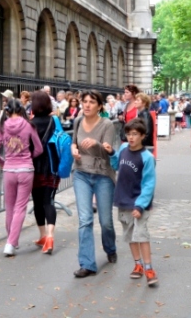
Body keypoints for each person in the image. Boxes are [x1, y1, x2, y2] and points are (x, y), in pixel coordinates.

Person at [71, 90, 118, 278]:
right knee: (85, 220)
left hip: (102, 175)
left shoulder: (107, 125)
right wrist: (73, 149)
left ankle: (110, 247)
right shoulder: (77, 121)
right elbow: (74, 142)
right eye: (85, 101)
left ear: (99, 106)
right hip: (81, 173)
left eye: (92, 102)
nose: (87, 105)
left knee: (105, 221)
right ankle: (87, 263)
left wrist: (97, 144)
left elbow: (107, 152)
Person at [106, 118, 157, 286]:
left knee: (141, 234)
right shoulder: (122, 148)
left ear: (142, 136)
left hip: (139, 202)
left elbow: (149, 183)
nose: (131, 137)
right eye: (128, 134)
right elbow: (116, 166)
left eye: (135, 134)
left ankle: (149, 268)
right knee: (130, 235)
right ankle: (138, 265)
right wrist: (112, 154)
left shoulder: (147, 157)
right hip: (123, 199)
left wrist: (140, 205)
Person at [0, 99, 43, 256]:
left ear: (6, 112)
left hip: (9, 169)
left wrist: (3, 162)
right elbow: (39, 149)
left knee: (10, 207)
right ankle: (11, 242)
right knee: (20, 207)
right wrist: (29, 156)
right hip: (26, 169)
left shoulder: (2, 127)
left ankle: (11, 240)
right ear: (21, 111)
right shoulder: (29, 125)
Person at [30, 90, 60, 255]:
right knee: (49, 200)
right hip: (52, 165)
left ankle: (42, 235)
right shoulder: (54, 121)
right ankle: (49, 236)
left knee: (37, 202)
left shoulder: (30, 123)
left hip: (35, 167)